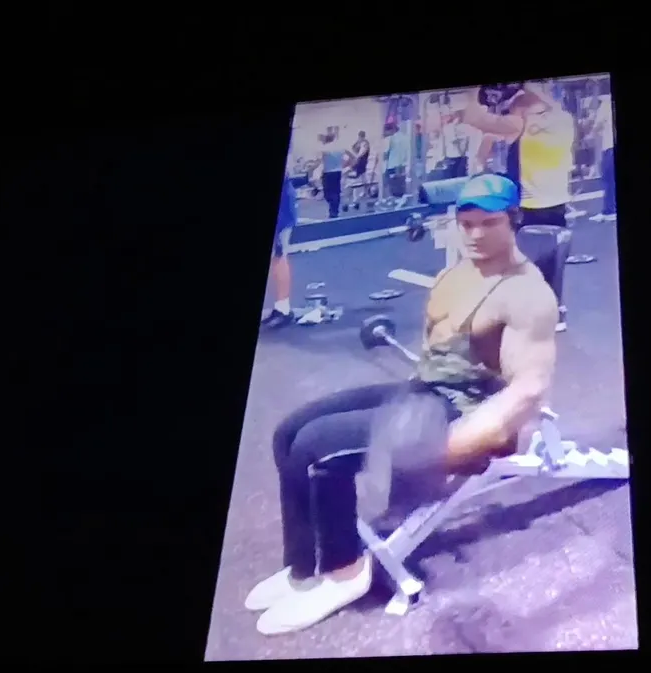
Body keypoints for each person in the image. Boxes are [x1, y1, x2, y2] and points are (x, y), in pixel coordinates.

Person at [245, 174, 559, 635]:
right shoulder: (461, 272)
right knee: (289, 432)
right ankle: (303, 566)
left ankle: (345, 573)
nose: (474, 234)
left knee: (318, 448)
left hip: (463, 411)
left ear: (514, 220)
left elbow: (527, 390)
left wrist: (462, 446)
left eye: (488, 223)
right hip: (427, 389)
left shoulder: (528, 295)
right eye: (466, 223)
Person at [462, 83, 577, 331]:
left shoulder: (523, 125)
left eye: (512, 109)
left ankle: (516, 316)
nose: (509, 113)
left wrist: (471, 93)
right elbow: (494, 135)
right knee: (551, 265)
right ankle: (555, 312)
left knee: (518, 266)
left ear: (522, 109)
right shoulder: (563, 120)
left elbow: (474, 117)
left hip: (530, 208)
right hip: (558, 206)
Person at [261, 169, 300, 330]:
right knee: (276, 258)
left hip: (282, 212)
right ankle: (279, 308)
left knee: (280, 256)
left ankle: (284, 309)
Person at [590, 94, 616, 222]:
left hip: (609, 147)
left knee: (608, 180)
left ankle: (610, 210)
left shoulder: (606, 104)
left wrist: (593, 133)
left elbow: (597, 126)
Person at [319, 129, 348, 218]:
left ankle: (333, 210)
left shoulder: (324, 148)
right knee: (336, 191)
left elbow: (320, 160)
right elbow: (349, 158)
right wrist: (343, 165)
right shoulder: (339, 148)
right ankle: (334, 210)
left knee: (328, 193)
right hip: (338, 172)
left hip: (328, 172)